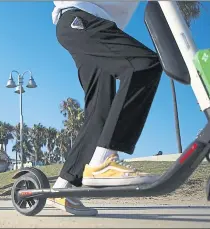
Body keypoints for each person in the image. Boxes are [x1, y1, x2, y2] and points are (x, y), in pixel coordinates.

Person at [50, 1, 163, 216]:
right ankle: (102, 162)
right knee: (143, 65)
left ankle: (63, 187)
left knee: (99, 110)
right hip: (82, 19)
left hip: (87, 25)